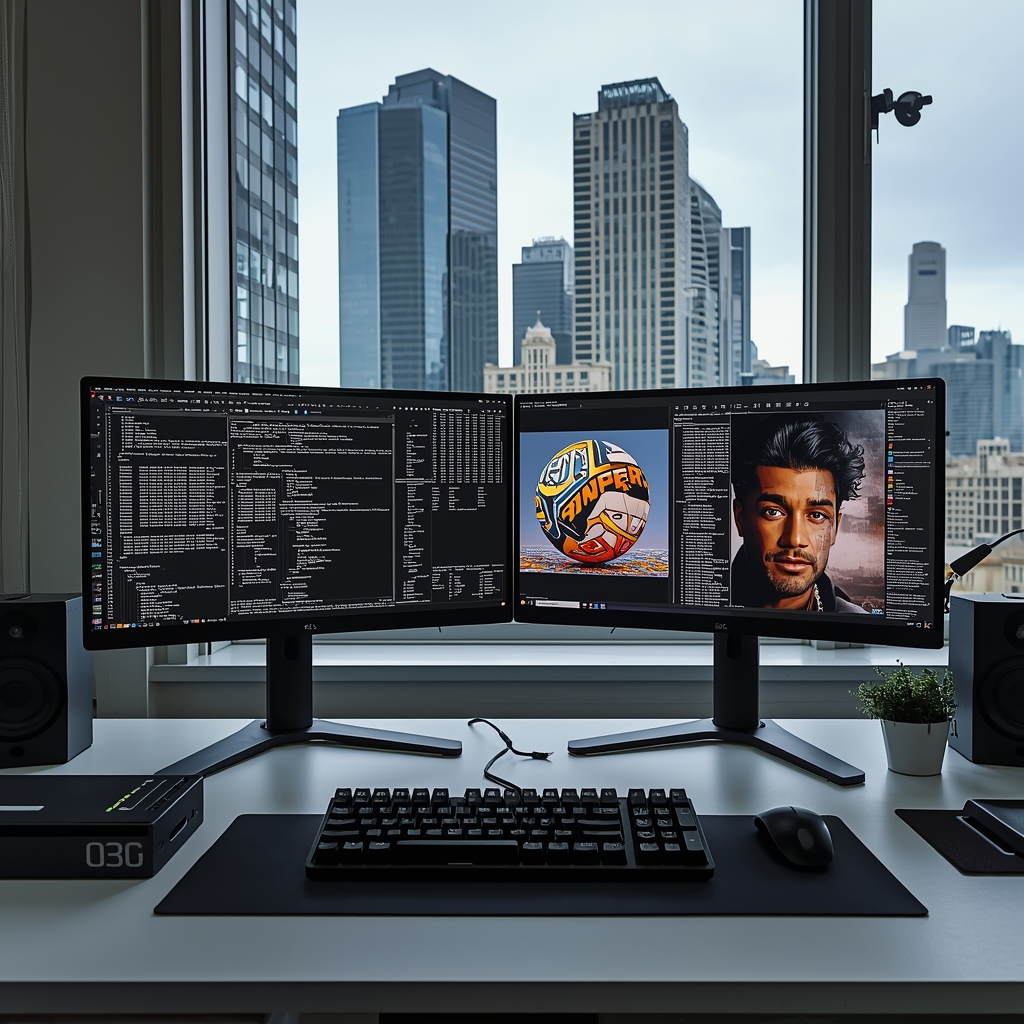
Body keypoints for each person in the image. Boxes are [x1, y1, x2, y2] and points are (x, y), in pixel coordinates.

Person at [731, 414, 868, 612]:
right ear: (740, 519)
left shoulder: (855, 621)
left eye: (817, 515)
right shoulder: (698, 605)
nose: (795, 539)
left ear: (834, 529)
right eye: (773, 512)